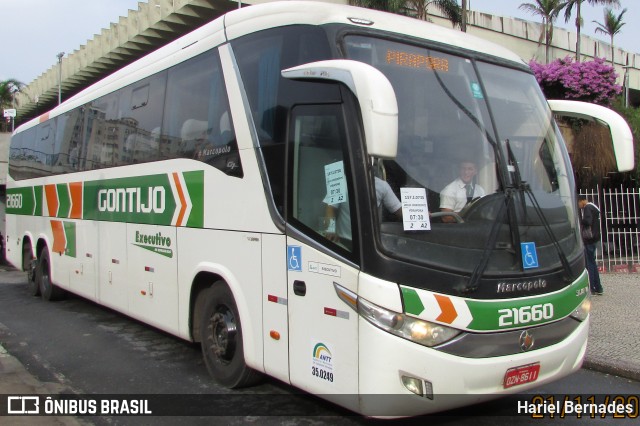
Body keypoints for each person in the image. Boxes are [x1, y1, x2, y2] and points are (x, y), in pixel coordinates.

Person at [325, 177, 402, 246]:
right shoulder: (340, 181)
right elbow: (331, 208)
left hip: (370, 243)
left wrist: (412, 218)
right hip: (343, 241)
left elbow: (399, 210)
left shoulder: (382, 186)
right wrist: (331, 230)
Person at [578, 195, 603, 295]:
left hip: (589, 240)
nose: (579, 206)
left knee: (590, 264)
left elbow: (588, 221)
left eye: (579, 203)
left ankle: (592, 286)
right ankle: (598, 287)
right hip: (595, 239)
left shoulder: (588, 208)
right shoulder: (593, 208)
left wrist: (580, 221)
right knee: (593, 262)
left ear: (582, 201)